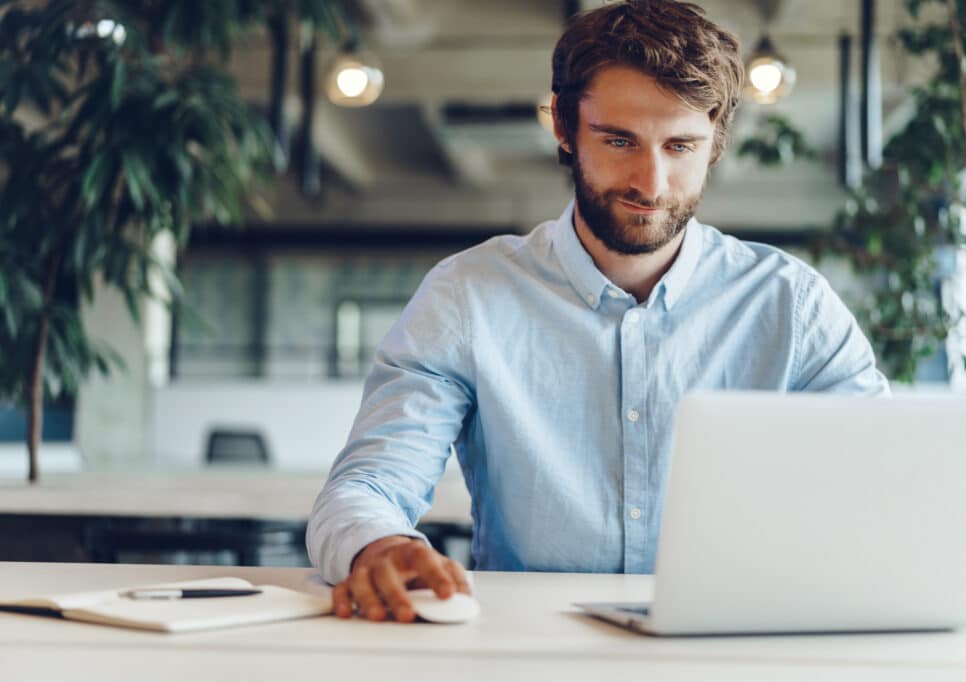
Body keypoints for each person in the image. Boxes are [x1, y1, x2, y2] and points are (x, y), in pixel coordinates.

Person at [307, 0, 890, 623]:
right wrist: (380, 545)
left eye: (681, 145)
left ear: (715, 142)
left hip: (734, 643)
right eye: (619, 140)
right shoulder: (467, 296)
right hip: (532, 649)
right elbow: (364, 487)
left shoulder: (791, 305)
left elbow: (883, 485)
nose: (652, 182)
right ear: (563, 124)